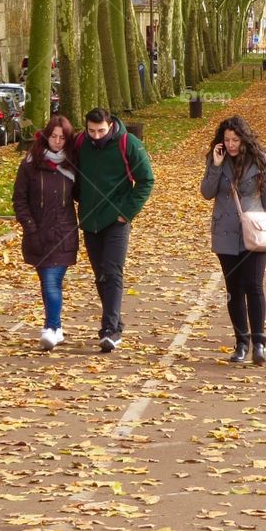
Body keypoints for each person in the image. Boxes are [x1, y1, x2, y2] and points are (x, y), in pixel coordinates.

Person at [200, 115, 266, 366]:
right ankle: (241, 343)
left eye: (235, 139)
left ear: (244, 138)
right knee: (233, 290)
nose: (230, 144)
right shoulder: (216, 158)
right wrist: (216, 165)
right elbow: (206, 193)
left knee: (254, 286)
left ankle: (259, 342)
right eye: (226, 140)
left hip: (255, 231)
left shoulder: (261, 160)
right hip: (225, 232)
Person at [75, 108, 155, 352]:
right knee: (100, 274)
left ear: (110, 126)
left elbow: (146, 180)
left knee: (112, 271)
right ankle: (115, 320)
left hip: (116, 220)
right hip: (90, 220)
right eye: (91, 131)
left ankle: (110, 330)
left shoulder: (127, 143)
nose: (96, 136)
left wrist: (126, 213)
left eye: (101, 131)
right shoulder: (80, 143)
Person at [12, 115, 79, 351]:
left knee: (52, 282)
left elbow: (82, 195)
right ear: (46, 136)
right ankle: (56, 327)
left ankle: (51, 328)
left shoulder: (73, 164)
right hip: (38, 234)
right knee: (48, 283)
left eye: (62, 138)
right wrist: (30, 227)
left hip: (64, 233)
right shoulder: (30, 164)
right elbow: (19, 199)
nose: (57, 142)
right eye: (54, 136)